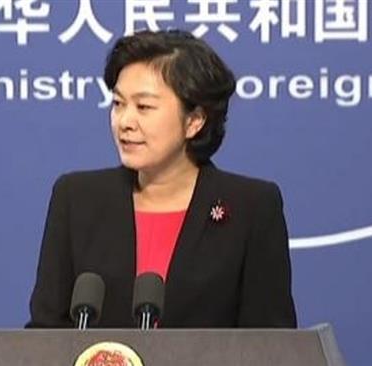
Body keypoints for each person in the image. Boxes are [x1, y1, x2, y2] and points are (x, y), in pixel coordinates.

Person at [26, 30, 296, 328]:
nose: (125, 122)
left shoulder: (252, 208)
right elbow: (45, 334)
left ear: (194, 120)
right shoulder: (76, 199)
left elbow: (273, 345)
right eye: (118, 104)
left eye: (144, 107)